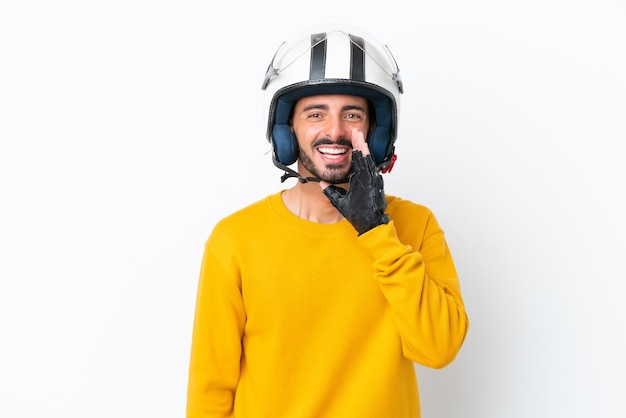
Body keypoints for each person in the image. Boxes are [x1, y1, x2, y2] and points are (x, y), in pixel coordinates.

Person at [186, 24, 469, 418]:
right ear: (288, 131)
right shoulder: (235, 240)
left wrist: (377, 232)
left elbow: (439, 348)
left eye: (352, 114)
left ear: (376, 132)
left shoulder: (414, 225)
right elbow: (210, 393)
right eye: (316, 114)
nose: (335, 131)